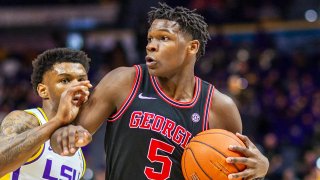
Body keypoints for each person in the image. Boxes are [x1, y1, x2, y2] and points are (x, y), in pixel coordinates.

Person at [51, 3, 269, 180]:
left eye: (163, 38)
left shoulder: (219, 108)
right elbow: (60, 142)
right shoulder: (123, 81)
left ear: (191, 47)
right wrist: (65, 134)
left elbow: (238, 171)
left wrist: (261, 168)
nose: (151, 45)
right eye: (150, 39)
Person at [0, 48, 92, 179]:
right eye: (65, 80)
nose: (76, 87)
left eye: (81, 80)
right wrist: (57, 121)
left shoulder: (78, 149)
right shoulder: (25, 119)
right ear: (43, 90)